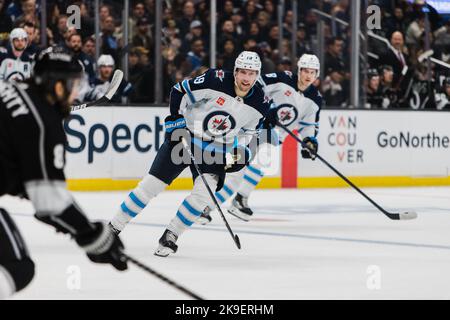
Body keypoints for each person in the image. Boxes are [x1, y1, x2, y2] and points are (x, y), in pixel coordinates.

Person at [108, 51, 271, 257]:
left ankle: (171, 234)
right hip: (185, 140)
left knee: (202, 196)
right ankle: (114, 227)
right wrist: (175, 119)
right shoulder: (215, 79)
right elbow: (179, 91)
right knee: (150, 186)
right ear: (236, 71)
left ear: (257, 75)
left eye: (252, 73)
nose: (247, 78)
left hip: (217, 153)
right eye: (243, 72)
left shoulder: (261, 103)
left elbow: (249, 134)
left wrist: (242, 153)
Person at [0, 49, 127, 299]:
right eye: (72, 85)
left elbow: (29, 185)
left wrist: (84, 230)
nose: (75, 93)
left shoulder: (10, 90)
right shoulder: (42, 122)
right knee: (17, 268)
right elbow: (50, 202)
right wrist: (91, 234)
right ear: (56, 86)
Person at [204, 54, 323, 222]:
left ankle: (227, 202)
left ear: (317, 74)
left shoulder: (315, 99)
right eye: (305, 71)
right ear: (299, 70)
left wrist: (309, 141)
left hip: (274, 136)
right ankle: (214, 204)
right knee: (237, 171)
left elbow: (308, 125)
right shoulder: (283, 78)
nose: (308, 76)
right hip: (254, 127)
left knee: (254, 168)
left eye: (312, 72)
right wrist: (270, 108)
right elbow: (258, 82)